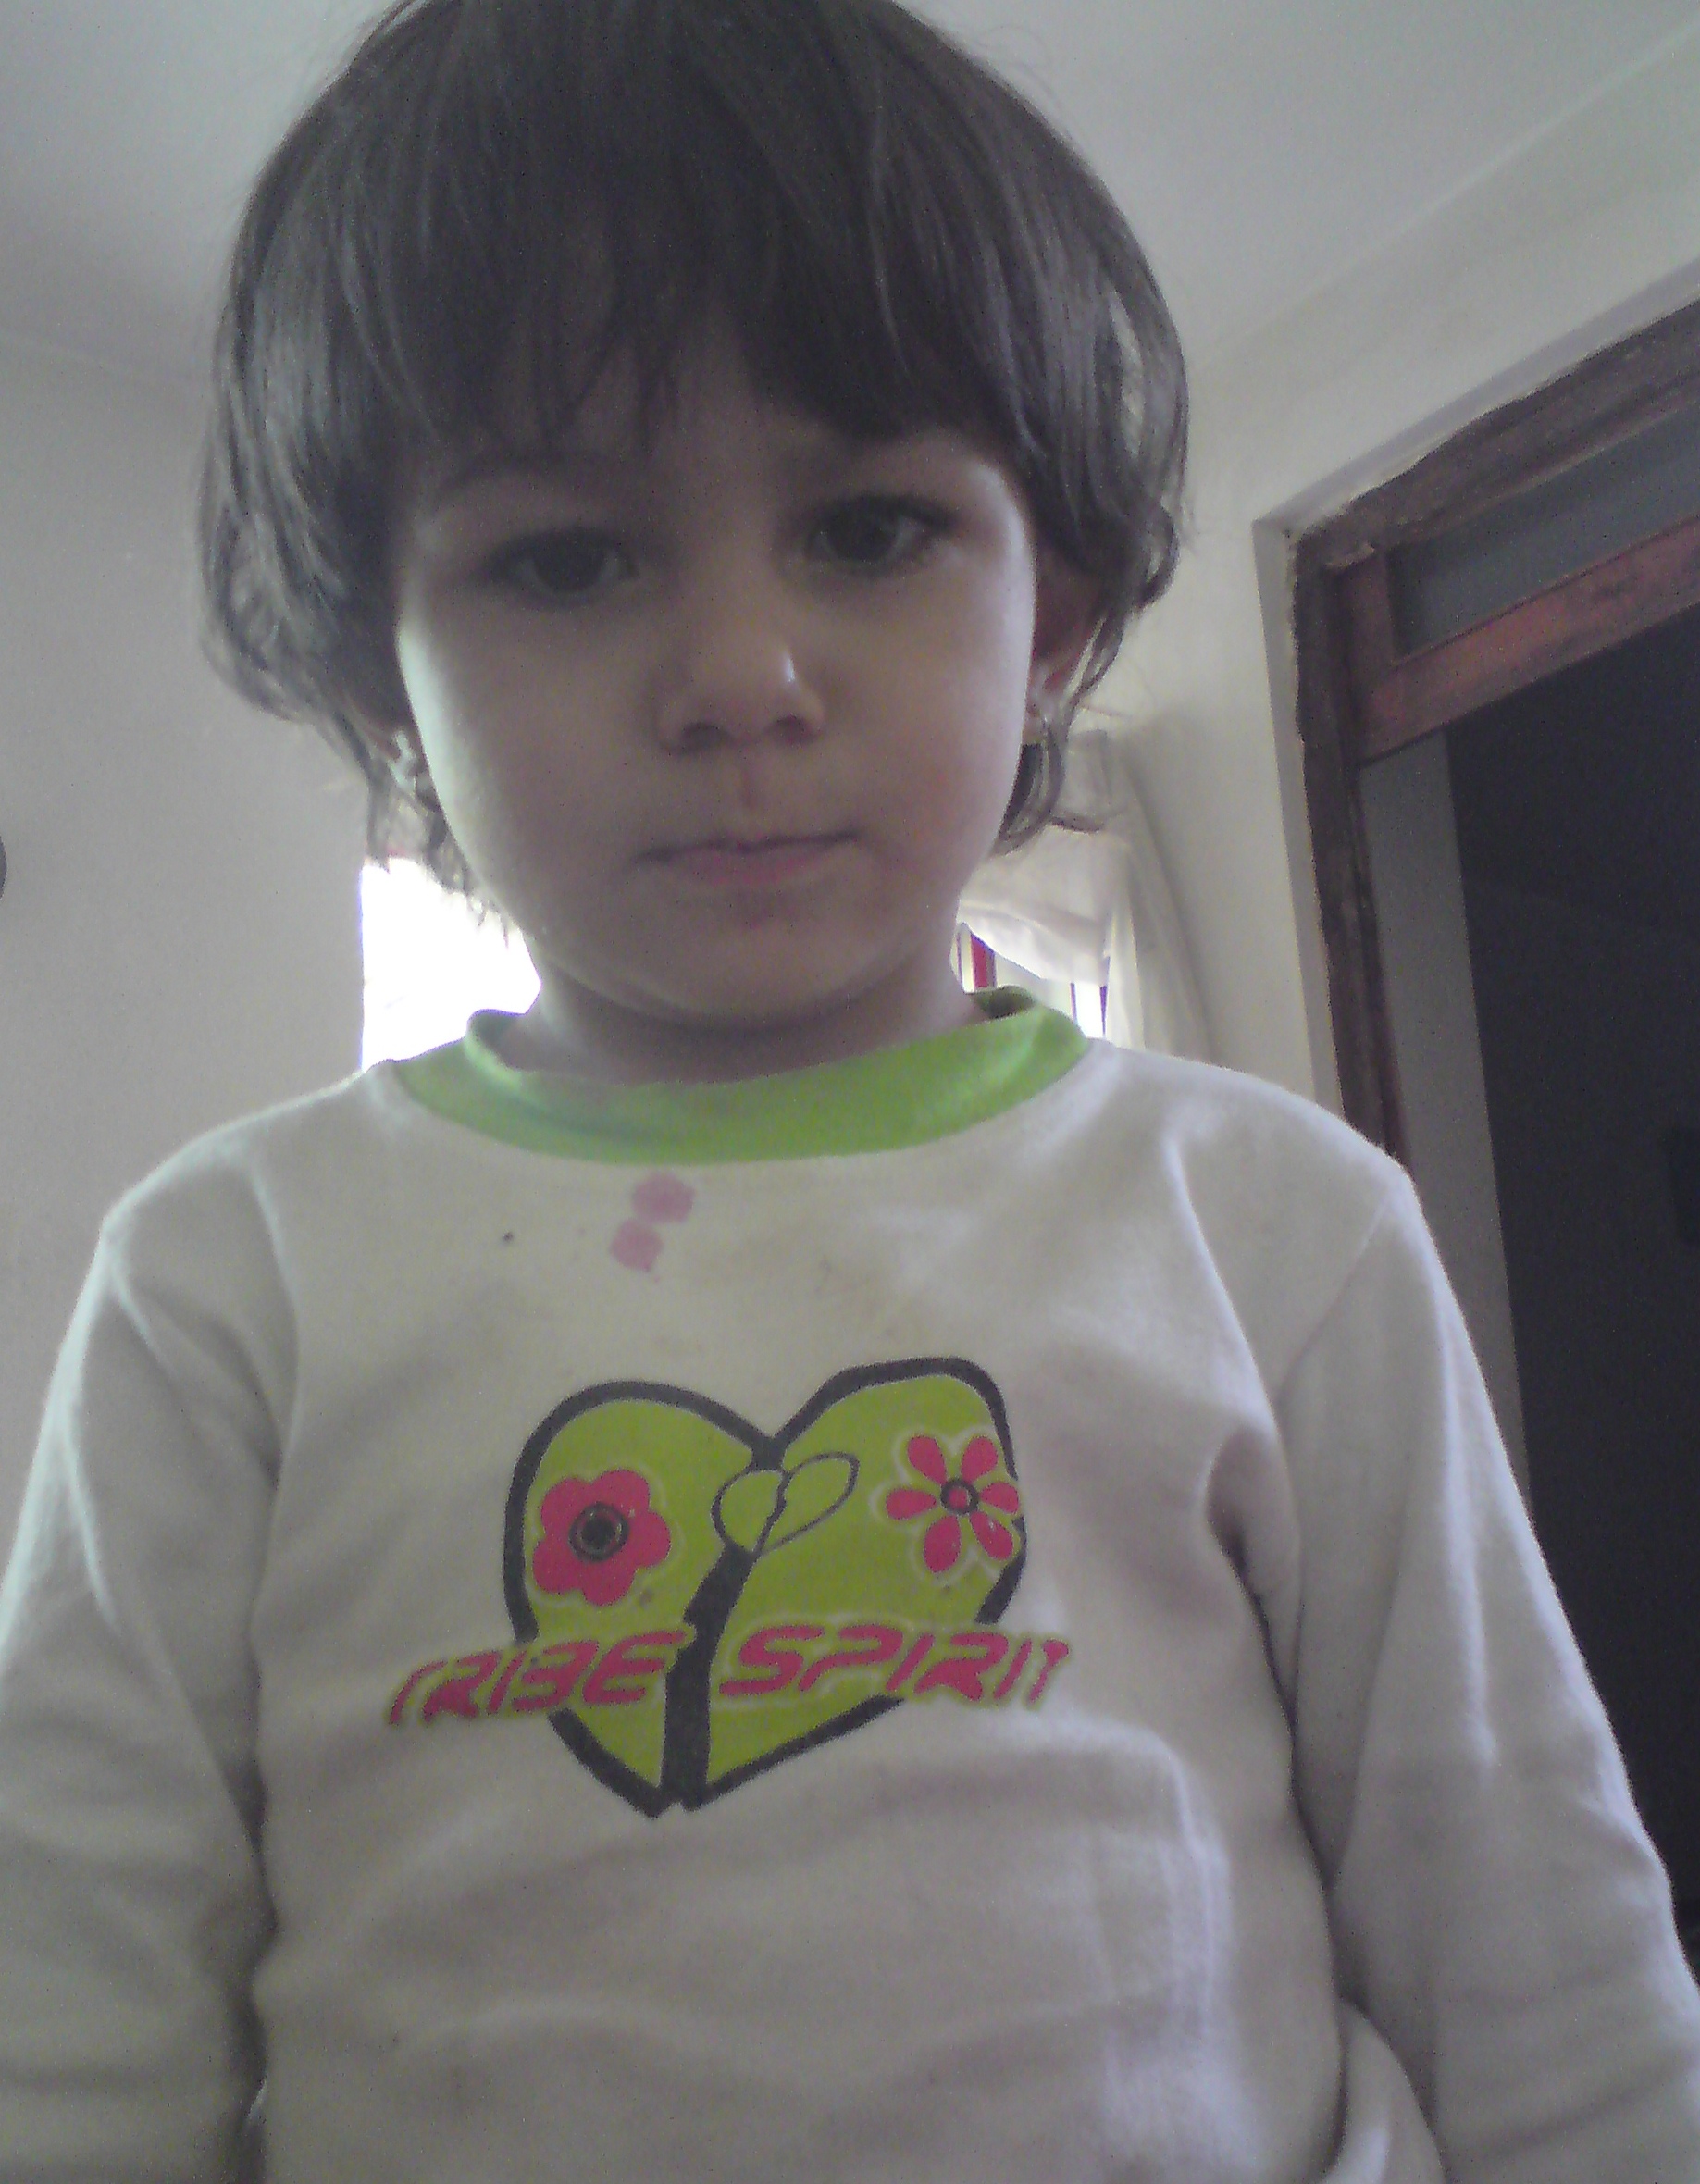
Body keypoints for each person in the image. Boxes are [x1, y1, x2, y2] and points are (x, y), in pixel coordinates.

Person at [2, 1, 1696, 2178]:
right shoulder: (231, 1280)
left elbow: (1542, 1969)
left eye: (871, 528)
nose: (740, 677)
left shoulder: (1276, 1224)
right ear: (380, 673)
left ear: (1048, 617)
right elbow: (66, 2031)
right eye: (567, 557)